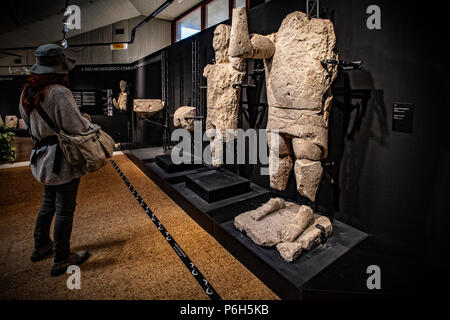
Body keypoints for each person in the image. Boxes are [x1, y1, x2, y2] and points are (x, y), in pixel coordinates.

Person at [19, 44, 99, 276]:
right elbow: (77, 127)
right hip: (62, 159)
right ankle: (62, 258)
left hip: (42, 158)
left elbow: (28, 126)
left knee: (48, 203)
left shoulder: (27, 92)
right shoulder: (59, 92)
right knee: (65, 209)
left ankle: (41, 245)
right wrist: (89, 122)